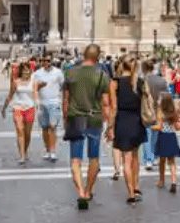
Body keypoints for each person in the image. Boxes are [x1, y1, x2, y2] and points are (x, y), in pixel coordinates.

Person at [63, 44, 112, 210]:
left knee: (76, 160)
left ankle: (80, 192)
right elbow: (106, 104)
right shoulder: (102, 75)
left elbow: (66, 100)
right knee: (94, 158)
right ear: (97, 57)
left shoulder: (70, 72)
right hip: (95, 118)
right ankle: (89, 190)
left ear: (83, 55)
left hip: (75, 118)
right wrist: (108, 124)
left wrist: (65, 119)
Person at [109, 57, 149, 205]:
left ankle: (130, 193)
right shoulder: (139, 82)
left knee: (126, 159)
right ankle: (137, 186)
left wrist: (110, 127)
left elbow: (113, 108)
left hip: (122, 121)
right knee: (135, 157)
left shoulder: (115, 82)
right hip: (137, 121)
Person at [32, 55, 65, 162]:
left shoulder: (58, 72)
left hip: (54, 102)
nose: (46, 62)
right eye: (44, 60)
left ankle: (52, 150)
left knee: (52, 127)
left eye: (48, 60)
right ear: (40, 61)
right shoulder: (37, 74)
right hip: (42, 103)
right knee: (45, 128)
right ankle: (47, 148)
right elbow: (34, 89)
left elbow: (62, 86)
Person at [1, 62, 36, 165]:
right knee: (20, 130)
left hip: (30, 108)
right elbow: (10, 95)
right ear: (20, 71)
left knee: (28, 133)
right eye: (24, 70)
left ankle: (24, 150)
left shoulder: (33, 82)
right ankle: (22, 155)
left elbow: (37, 94)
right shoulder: (16, 82)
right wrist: (4, 108)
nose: (26, 72)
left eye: (27, 70)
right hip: (18, 108)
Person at [151, 92, 180, 192]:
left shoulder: (160, 112)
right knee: (172, 161)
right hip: (172, 136)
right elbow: (177, 127)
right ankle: (174, 181)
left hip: (163, 137)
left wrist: (151, 127)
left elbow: (159, 127)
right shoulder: (173, 112)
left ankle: (161, 180)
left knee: (162, 160)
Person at [143, 60, 169, 173]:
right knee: (155, 135)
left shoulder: (143, 81)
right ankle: (153, 157)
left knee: (147, 135)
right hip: (159, 110)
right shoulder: (162, 81)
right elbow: (166, 97)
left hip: (147, 111)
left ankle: (148, 159)